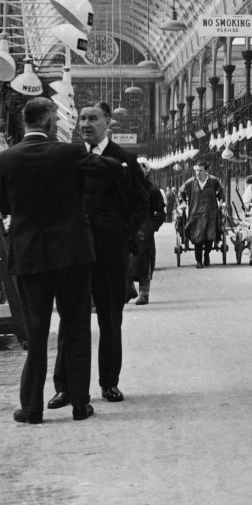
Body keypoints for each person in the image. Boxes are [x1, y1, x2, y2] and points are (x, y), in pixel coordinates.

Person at [1, 99, 123, 423]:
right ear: (51, 123)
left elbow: (3, 206)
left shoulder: (6, 159)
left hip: (28, 256)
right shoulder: (70, 154)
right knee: (77, 327)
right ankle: (80, 404)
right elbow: (110, 173)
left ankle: (31, 408)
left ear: (25, 122)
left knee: (36, 333)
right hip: (72, 254)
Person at [50, 101, 147, 409]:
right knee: (70, 319)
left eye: (93, 118)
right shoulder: (70, 157)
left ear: (108, 122)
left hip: (110, 252)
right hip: (74, 251)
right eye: (82, 119)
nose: (85, 124)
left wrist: (122, 232)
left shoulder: (124, 159)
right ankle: (65, 387)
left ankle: (109, 383)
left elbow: (141, 202)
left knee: (110, 318)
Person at [129, 158, 166, 305]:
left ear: (146, 170)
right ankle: (128, 290)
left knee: (144, 262)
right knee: (124, 260)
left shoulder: (152, 189)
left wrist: (152, 226)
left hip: (145, 233)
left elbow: (161, 213)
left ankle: (144, 294)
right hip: (128, 230)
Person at [179, 161, 224, 268]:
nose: (198, 173)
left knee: (209, 237)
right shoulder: (190, 182)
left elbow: (221, 192)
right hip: (196, 214)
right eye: (196, 170)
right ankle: (199, 261)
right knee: (197, 238)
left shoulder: (213, 181)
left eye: (200, 170)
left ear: (206, 171)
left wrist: (221, 201)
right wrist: (183, 202)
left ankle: (206, 254)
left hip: (210, 213)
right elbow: (181, 192)